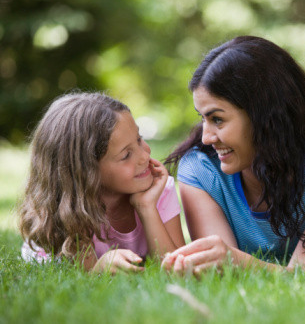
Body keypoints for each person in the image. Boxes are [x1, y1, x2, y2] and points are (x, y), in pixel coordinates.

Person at [162, 36, 305, 274]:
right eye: (202, 117)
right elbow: (220, 267)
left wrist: (236, 261)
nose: (205, 138)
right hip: (286, 146)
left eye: (217, 119)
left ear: (262, 116)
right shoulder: (200, 169)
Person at [18, 92, 186, 273]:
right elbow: (83, 278)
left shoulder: (159, 189)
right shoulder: (71, 207)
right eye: (126, 155)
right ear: (86, 172)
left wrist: (146, 207)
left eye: (139, 139)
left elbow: (175, 268)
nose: (145, 155)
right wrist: (99, 268)